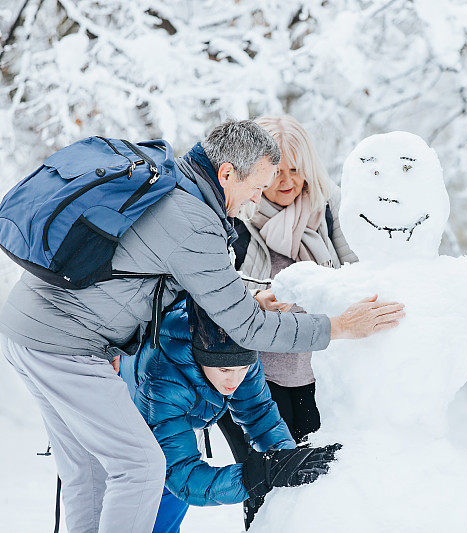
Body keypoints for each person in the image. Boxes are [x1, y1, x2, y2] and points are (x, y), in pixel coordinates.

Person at [0, 119, 404, 533]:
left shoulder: (173, 183)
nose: (254, 199)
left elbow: (174, 277)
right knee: (140, 467)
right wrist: (339, 327)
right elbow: (246, 329)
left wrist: (243, 301)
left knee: (88, 470)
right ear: (227, 173)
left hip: (30, 328)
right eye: (255, 187)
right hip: (64, 344)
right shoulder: (193, 220)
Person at [217, 115, 358, 528]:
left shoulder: (326, 214)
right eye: (276, 171)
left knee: (317, 489)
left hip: (318, 380)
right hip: (252, 383)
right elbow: (217, 299)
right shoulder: (234, 220)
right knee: (265, 488)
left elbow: (356, 273)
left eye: (296, 169)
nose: (287, 181)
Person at [119, 296, 340, 533]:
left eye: (243, 369)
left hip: (171, 413)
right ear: (200, 357)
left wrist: (284, 460)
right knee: (158, 503)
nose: (234, 380)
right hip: (124, 422)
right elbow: (185, 479)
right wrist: (257, 475)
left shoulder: (238, 355)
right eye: (224, 370)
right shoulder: (162, 384)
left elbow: (260, 414)